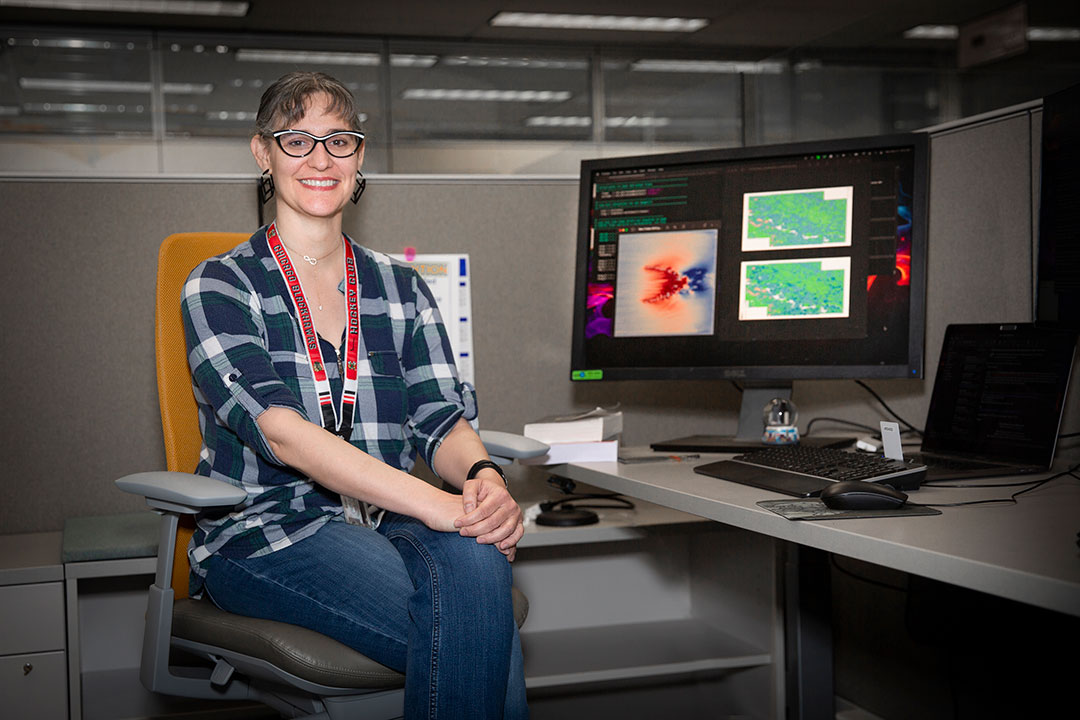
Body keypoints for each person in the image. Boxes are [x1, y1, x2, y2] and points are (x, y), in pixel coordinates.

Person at [181, 70, 527, 719]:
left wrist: (483, 481)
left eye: (338, 141)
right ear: (263, 152)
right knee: (477, 626)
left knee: (480, 573)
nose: (319, 159)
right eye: (297, 139)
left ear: (359, 156)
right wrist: (441, 506)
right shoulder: (222, 287)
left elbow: (440, 417)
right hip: (273, 529)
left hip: (386, 517)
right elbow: (282, 432)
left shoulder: (401, 286)